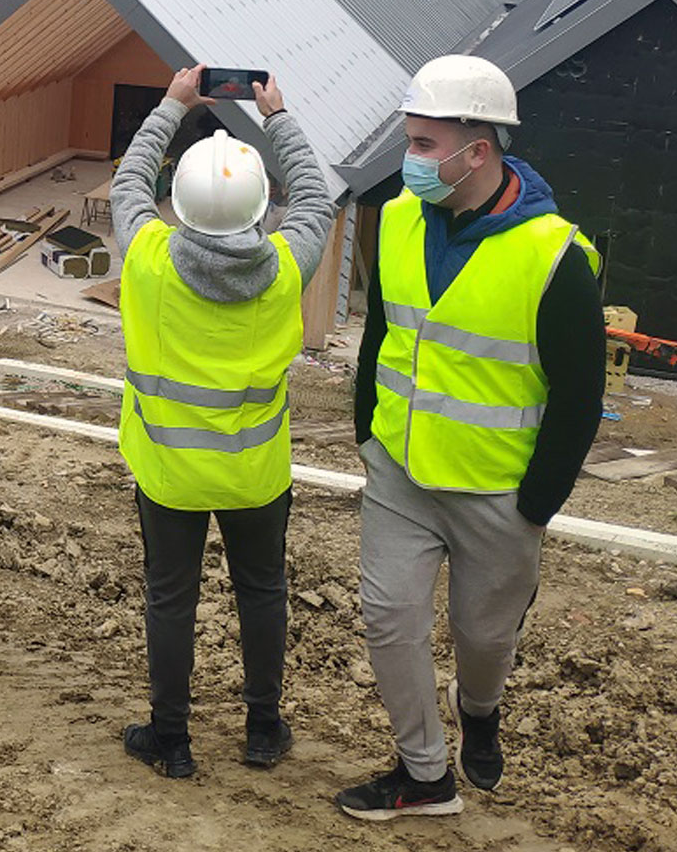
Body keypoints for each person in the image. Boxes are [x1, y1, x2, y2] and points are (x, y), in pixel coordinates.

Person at [337, 55, 602, 820]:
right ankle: (424, 773)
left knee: (483, 639)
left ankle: (479, 710)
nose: (409, 160)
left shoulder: (555, 258)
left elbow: (580, 397)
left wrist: (538, 503)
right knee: (389, 620)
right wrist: (368, 433)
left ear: (477, 151)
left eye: (423, 145)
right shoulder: (393, 220)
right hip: (400, 474)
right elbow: (381, 334)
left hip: (497, 492)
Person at [111, 66, 334, 780]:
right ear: (261, 207)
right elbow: (318, 204)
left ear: (177, 206)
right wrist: (278, 117)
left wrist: (173, 104)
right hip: (256, 475)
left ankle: (171, 739)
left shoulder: (148, 263)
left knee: (170, 600)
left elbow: (127, 184)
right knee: (261, 592)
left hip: (171, 475)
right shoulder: (284, 270)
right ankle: (263, 728)